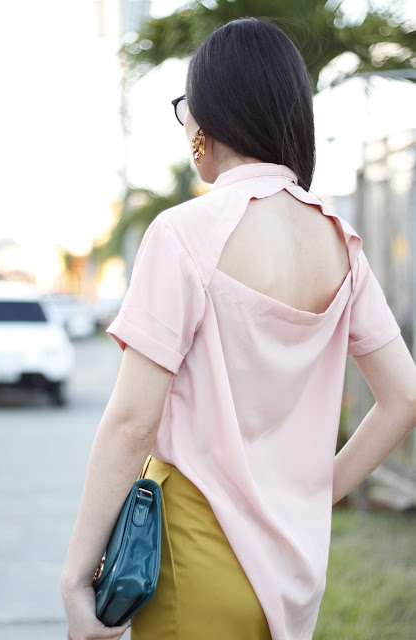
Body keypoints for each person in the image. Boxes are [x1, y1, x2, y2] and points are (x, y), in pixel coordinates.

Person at [60, 16, 416, 640]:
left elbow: (132, 421)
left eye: (185, 107)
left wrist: (74, 576)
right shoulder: (342, 245)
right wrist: (316, 492)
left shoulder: (183, 234)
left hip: (194, 558)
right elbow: (405, 397)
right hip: (292, 572)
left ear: (208, 117)